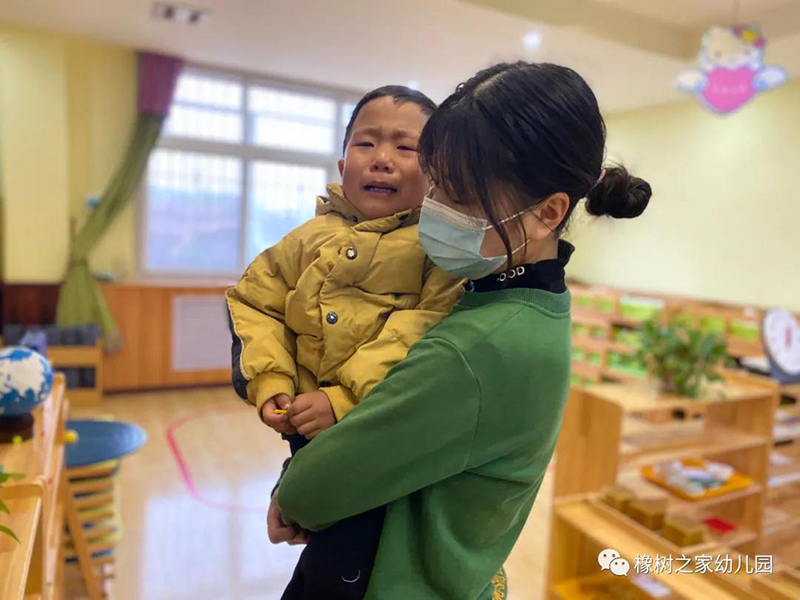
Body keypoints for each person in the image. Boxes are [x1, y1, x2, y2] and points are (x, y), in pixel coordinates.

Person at [269, 61, 652, 599]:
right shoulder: (532, 303)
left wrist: (291, 487)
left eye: (460, 197)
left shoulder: (478, 348)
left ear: (548, 212)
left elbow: (310, 492)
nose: (434, 211)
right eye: (436, 187)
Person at [226, 85, 463, 599]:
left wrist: (346, 397)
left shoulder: (440, 244)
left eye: (405, 148)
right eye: (366, 144)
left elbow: (429, 324)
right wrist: (272, 380)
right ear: (341, 163)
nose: (382, 160)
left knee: (343, 566)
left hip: (378, 434)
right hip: (306, 432)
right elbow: (253, 302)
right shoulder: (307, 238)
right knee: (318, 544)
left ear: (438, 171)